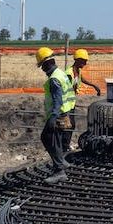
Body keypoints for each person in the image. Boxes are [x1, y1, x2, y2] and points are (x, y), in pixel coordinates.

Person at [36, 47, 77, 183]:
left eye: (42, 65)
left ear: (47, 63)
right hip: (65, 112)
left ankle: (59, 170)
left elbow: (57, 99)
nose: (42, 69)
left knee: (48, 138)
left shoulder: (54, 79)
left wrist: (53, 117)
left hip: (58, 114)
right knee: (55, 140)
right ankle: (61, 163)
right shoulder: (61, 73)